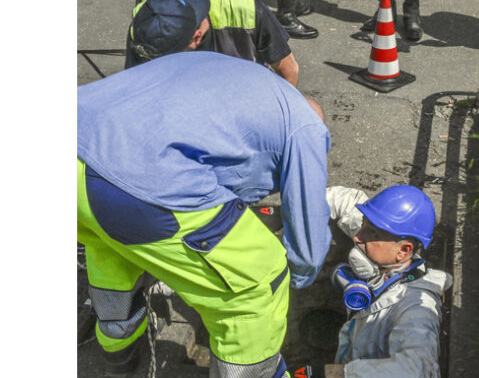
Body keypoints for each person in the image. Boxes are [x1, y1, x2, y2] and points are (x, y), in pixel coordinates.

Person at [77, 52, 332, 377]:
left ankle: (121, 360)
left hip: (79, 144)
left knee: (113, 250)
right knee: (260, 283)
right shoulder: (306, 126)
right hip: (132, 180)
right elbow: (309, 243)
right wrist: (295, 282)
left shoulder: (246, 82)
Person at [322, 185, 453, 378]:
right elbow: (342, 200)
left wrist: (338, 373)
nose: (358, 236)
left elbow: (416, 369)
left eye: (371, 232)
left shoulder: (417, 308)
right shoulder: (382, 242)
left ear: (404, 250)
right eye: (364, 224)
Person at [124, 0, 301, 86]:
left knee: (313, 111)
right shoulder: (146, 24)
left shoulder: (242, 5)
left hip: (244, 89)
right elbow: (137, 91)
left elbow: (288, 69)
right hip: (184, 98)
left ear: (196, 38)